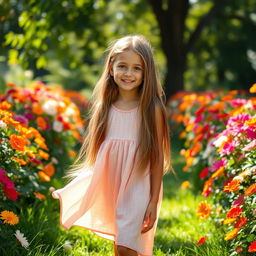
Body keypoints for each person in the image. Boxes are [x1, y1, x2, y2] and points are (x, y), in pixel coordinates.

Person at [52, 34, 172, 256]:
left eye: (137, 68)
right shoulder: (105, 106)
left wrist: (153, 200)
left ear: (147, 73)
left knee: (127, 245)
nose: (128, 73)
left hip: (139, 185)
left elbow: (157, 157)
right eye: (123, 66)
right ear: (111, 68)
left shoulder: (152, 109)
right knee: (120, 244)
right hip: (111, 184)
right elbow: (101, 155)